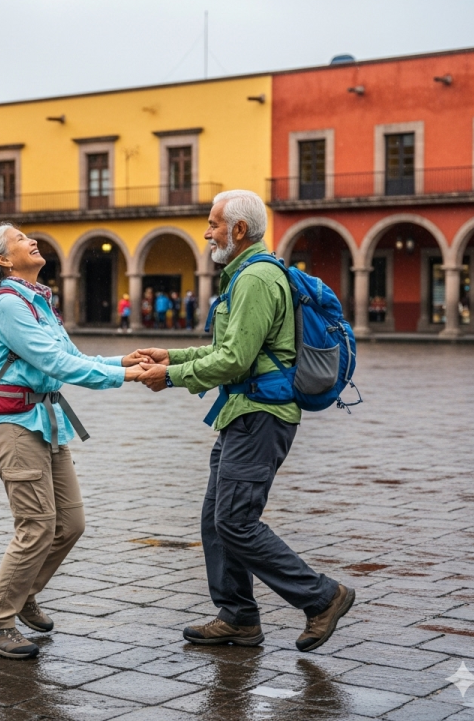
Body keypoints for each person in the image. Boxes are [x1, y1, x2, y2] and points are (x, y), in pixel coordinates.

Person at [137, 189, 355, 654]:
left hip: (261, 416)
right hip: (244, 413)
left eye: (214, 223)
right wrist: (171, 355)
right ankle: (237, 617)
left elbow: (234, 359)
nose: (207, 231)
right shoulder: (246, 274)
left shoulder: (256, 278)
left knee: (235, 520)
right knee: (217, 521)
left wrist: (171, 376)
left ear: (238, 230)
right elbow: (228, 350)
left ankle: (322, 596)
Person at [0, 223, 149, 660]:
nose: (31, 240)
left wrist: (117, 360)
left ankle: (23, 592)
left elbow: (71, 358)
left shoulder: (37, 301)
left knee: (70, 524)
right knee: (35, 525)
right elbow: (53, 362)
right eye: (19, 239)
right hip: (13, 426)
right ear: (3, 260)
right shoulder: (9, 304)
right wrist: (123, 376)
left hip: (46, 421)